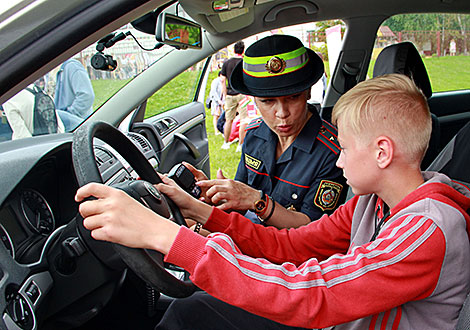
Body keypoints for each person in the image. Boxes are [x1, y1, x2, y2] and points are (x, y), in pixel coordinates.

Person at [76, 74, 470, 329]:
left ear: (382, 153)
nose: (338, 158)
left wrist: (165, 237)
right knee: (190, 312)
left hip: (329, 314)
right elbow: (292, 247)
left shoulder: (426, 230)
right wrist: (204, 215)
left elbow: (315, 293)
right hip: (337, 318)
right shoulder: (373, 203)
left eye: (346, 149)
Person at [188, 35, 346, 228]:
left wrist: (258, 201)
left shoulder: (333, 151)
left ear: (308, 92)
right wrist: (218, 196)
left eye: (293, 97)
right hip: (249, 234)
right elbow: (241, 201)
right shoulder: (254, 135)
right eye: (267, 101)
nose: (282, 113)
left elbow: (312, 230)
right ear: (253, 100)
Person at [54, 58, 95, 131]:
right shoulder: (56, 70)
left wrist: (70, 116)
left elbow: (86, 96)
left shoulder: (72, 66)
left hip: (77, 128)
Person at [220, 41, 246, 152]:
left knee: (228, 120)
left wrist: (224, 95)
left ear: (234, 50)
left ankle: (226, 142)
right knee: (244, 120)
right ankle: (240, 144)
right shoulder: (244, 62)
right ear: (243, 50)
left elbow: (222, 80)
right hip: (243, 94)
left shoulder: (227, 63)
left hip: (229, 95)